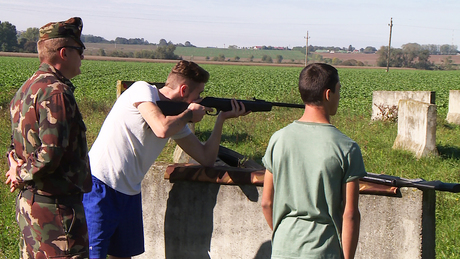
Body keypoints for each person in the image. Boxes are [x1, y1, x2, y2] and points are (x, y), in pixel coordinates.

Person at [82, 60, 249, 259]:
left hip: (130, 193)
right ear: (184, 89)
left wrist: (221, 119)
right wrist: (188, 114)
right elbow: (161, 129)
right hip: (100, 186)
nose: (200, 99)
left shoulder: (177, 120)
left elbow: (207, 159)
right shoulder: (141, 90)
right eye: (198, 93)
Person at [5, 17, 91, 258]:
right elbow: (49, 154)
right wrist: (20, 174)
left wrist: (14, 166)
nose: (82, 57)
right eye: (79, 50)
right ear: (64, 53)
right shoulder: (56, 92)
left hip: (31, 206)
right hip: (56, 211)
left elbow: (16, 143)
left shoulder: (27, 88)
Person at [261, 63, 367, 259]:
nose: (339, 97)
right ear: (328, 94)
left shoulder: (278, 139)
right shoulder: (346, 147)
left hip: (283, 247)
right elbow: (350, 214)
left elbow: (267, 202)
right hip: (323, 250)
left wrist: (284, 236)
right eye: (338, 91)